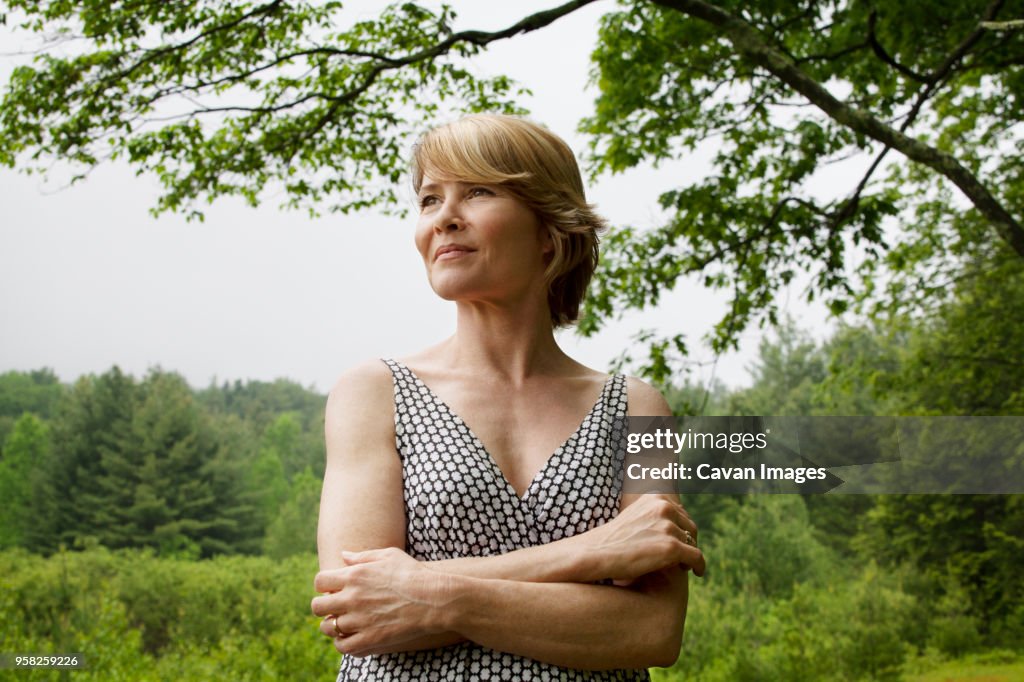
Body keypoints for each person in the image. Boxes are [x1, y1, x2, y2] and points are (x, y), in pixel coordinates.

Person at [310, 114, 706, 681]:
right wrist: (590, 553)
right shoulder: (373, 393)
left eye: (477, 192)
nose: (444, 218)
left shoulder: (639, 407)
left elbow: (652, 631)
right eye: (429, 199)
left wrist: (426, 592)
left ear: (550, 230)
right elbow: (358, 613)